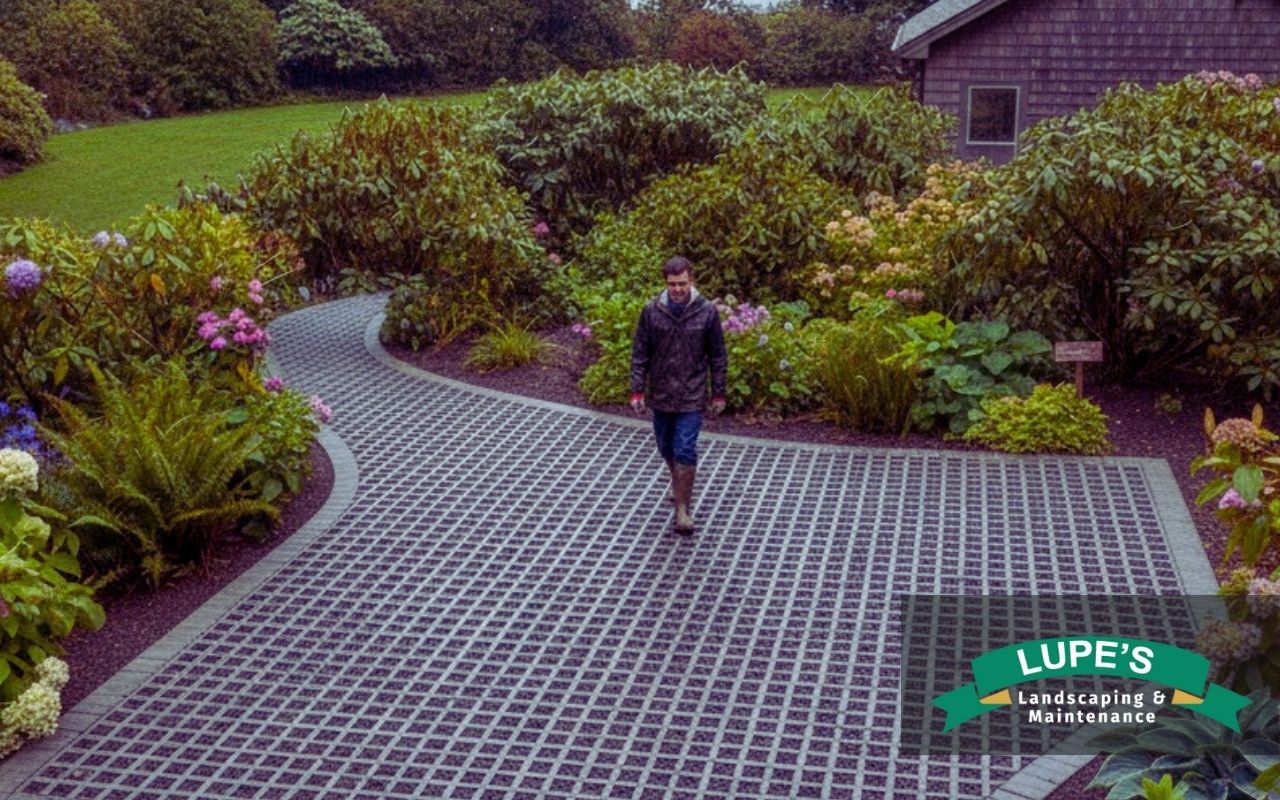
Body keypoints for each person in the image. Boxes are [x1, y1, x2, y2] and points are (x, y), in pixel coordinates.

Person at [629, 256, 728, 534]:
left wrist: (718, 393)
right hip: (661, 393)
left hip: (692, 395)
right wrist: (637, 389)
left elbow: (718, 356)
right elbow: (640, 353)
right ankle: (677, 479)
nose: (677, 289)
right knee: (665, 446)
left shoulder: (707, 312)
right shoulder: (651, 311)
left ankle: (683, 510)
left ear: (691, 281)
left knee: (685, 448)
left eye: (682, 283)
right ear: (666, 283)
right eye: (672, 284)